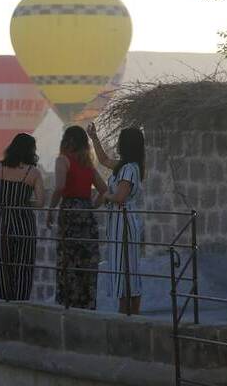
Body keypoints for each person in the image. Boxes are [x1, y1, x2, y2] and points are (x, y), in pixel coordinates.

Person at [46, 126, 108, 309]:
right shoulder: (88, 165)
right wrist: (91, 206)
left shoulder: (62, 161)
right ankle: (87, 304)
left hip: (69, 214)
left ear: (66, 141)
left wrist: (50, 209)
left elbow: (59, 187)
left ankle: (68, 304)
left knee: (68, 260)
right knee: (87, 261)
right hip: (87, 216)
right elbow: (104, 190)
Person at [88, 123, 146, 315]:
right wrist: (94, 138)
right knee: (122, 265)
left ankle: (128, 312)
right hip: (118, 220)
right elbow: (103, 160)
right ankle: (127, 311)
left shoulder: (130, 169)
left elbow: (120, 196)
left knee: (126, 266)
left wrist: (106, 196)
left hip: (124, 220)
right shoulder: (126, 166)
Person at [0, 133, 46, 301]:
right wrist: (23, 204)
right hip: (23, 223)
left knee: (4, 265)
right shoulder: (33, 173)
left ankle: (6, 302)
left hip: (2, 221)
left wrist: (4, 198)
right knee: (23, 266)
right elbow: (41, 202)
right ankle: (21, 302)